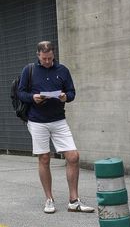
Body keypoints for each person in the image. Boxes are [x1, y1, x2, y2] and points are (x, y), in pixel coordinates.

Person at [17, 41, 94, 214]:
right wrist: (33, 97)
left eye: (50, 58)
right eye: (44, 58)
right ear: (38, 55)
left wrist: (65, 97)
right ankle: (49, 199)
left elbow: (72, 93)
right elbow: (20, 93)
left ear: (53, 55)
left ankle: (74, 201)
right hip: (37, 121)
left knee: (73, 156)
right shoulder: (29, 70)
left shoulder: (62, 70)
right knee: (44, 158)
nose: (47, 61)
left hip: (59, 120)